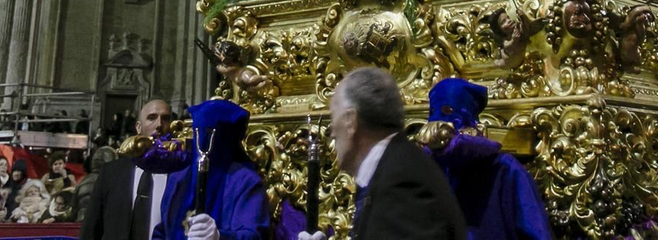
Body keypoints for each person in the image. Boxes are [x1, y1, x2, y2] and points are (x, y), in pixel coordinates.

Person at [300, 66, 466, 240]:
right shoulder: (394, 168)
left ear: (350, 121)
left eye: (334, 117)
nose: (332, 131)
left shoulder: (401, 183)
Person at [418, 78, 549, 240]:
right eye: (432, 113)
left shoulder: (504, 169)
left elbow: (534, 230)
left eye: (447, 110)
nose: (438, 121)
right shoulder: (425, 169)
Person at [154, 99, 271, 240]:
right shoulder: (179, 176)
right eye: (197, 132)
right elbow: (163, 230)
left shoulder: (245, 181)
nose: (202, 142)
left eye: (209, 134)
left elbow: (254, 234)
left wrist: (219, 236)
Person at [80, 97, 176, 240]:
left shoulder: (181, 174)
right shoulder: (111, 173)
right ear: (138, 127)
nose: (159, 124)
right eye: (152, 118)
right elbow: (92, 228)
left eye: (166, 119)